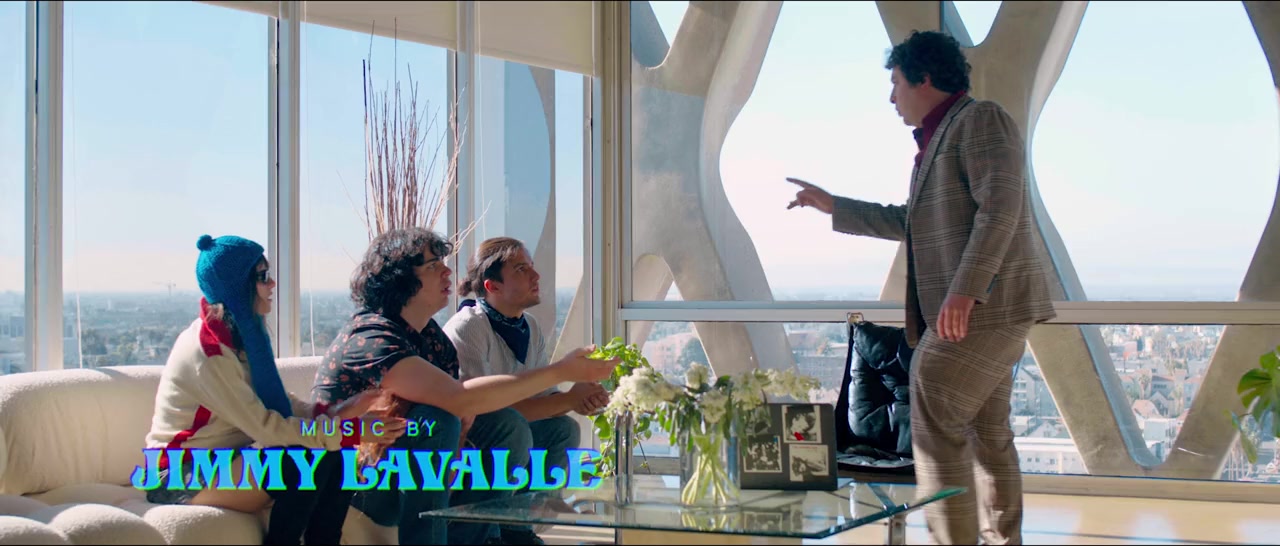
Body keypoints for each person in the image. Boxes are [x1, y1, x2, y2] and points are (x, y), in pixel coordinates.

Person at [785, 31, 1056, 545]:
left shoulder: (981, 120)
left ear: (924, 79)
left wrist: (964, 290)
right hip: (982, 306)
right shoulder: (940, 138)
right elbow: (911, 220)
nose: (891, 97)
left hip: (986, 306)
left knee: (932, 408)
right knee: (988, 433)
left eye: (896, 84)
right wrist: (835, 206)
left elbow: (1001, 208)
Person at [310, 227, 618, 546]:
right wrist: (561, 371)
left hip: (408, 466)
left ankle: (492, 536)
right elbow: (457, 400)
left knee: (509, 426)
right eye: (433, 266)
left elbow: (464, 409)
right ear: (400, 279)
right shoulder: (371, 338)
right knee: (441, 421)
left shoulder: (433, 340)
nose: (447, 272)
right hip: (355, 480)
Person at [143, 234, 401, 545]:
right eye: (263, 276)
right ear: (238, 288)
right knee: (304, 459)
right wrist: (351, 431)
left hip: (224, 459)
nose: (273, 283)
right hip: (176, 474)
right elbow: (267, 428)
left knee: (337, 454)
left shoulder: (241, 335)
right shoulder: (209, 355)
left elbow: (276, 402)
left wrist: (336, 415)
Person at [444, 237, 610, 545]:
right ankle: (485, 534)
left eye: (531, 267)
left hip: (508, 428)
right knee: (512, 428)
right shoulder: (468, 328)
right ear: (492, 286)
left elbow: (542, 401)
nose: (536, 276)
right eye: (521, 269)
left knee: (563, 429)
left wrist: (577, 398)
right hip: (468, 437)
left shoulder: (529, 327)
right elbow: (484, 410)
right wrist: (567, 399)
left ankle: (519, 528)